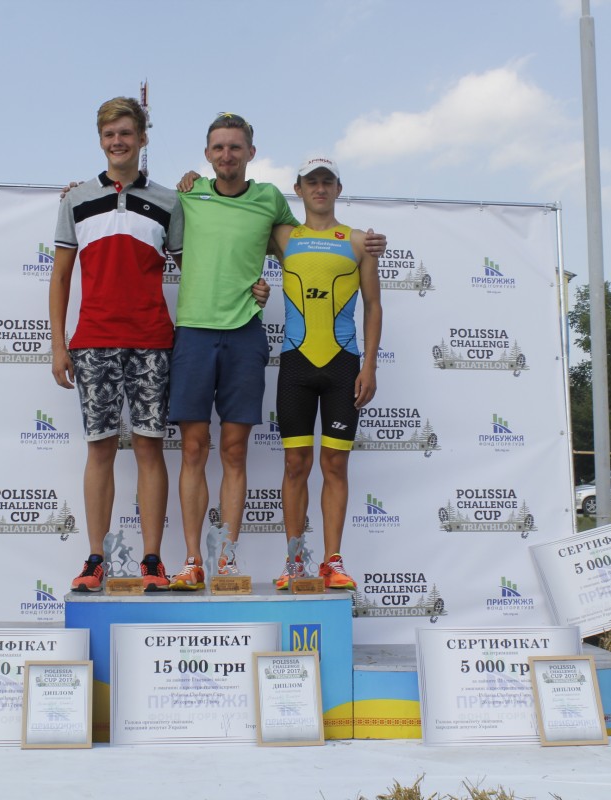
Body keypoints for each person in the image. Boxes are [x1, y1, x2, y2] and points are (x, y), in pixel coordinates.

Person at [165, 114, 386, 591]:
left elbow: (354, 288)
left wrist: (369, 363)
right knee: (206, 449)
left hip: (281, 344)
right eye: (219, 147)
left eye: (236, 147)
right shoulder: (191, 194)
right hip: (212, 338)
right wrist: (77, 190)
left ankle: (254, 560)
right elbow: (145, 206)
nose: (227, 154)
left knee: (256, 452)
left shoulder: (284, 210)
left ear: (251, 152)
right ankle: (200, 560)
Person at [49, 96, 183, 593]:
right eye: (109, 135)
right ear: (100, 140)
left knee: (150, 448)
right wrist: (58, 345)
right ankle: (95, 559)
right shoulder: (76, 199)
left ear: (142, 139)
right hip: (94, 341)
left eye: (126, 133)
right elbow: (60, 278)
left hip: (151, 339)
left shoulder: (170, 202)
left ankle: (152, 560)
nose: (118, 142)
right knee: (100, 449)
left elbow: (194, 271)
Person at [269, 158, 381, 591]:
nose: (319, 188)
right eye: (311, 182)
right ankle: (294, 561)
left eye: (327, 182)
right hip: (295, 364)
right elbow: (231, 218)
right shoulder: (283, 236)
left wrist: (369, 365)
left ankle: (333, 561)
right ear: (298, 189)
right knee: (295, 463)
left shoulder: (358, 241)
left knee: (334, 463)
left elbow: (373, 305)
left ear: (338, 189)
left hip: (343, 365)